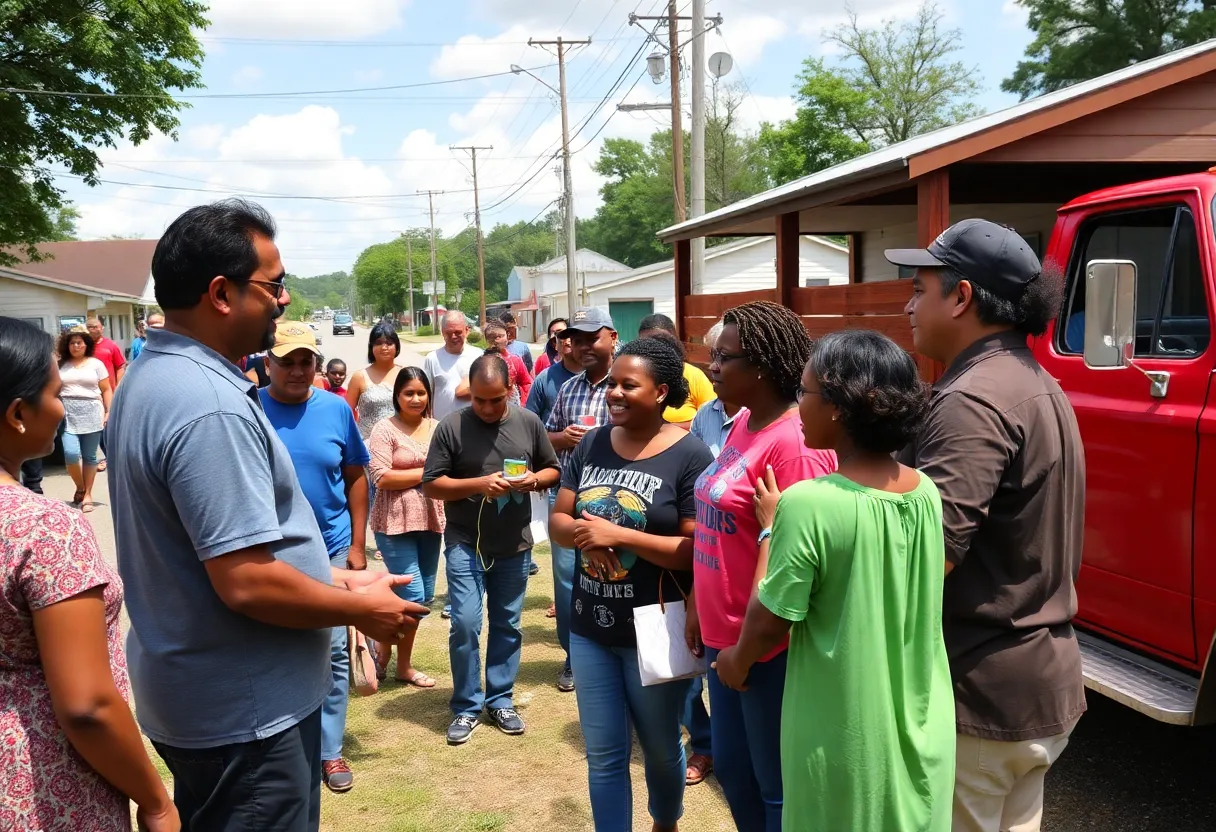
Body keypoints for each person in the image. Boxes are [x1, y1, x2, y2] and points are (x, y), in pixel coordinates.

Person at [106, 199, 426, 831]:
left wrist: (338, 577)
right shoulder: (208, 405)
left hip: (205, 697)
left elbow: (211, 551)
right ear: (221, 294)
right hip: (245, 715)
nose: (283, 300)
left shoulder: (155, 377)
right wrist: (362, 610)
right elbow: (246, 580)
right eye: (274, 285)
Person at [886, 219, 1085, 832]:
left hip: (981, 687)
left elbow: (929, 554)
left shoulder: (972, 398)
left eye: (920, 288)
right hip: (1035, 676)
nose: (909, 304)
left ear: (962, 296)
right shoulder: (1035, 382)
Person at [714, 330, 955, 832]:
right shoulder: (926, 491)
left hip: (841, 734)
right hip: (923, 726)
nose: (798, 405)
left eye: (805, 392)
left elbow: (772, 615)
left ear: (842, 407)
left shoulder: (809, 503)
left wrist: (735, 661)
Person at [0, 317, 179, 832]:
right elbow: (87, 706)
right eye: (54, 393)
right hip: (40, 783)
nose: (61, 407)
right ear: (17, 413)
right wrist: (156, 802)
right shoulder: (43, 529)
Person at [550, 336, 714, 832]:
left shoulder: (691, 455)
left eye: (628, 385)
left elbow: (694, 551)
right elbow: (560, 518)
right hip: (589, 627)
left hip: (654, 626)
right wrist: (587, 537)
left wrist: (618, 534)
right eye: (612, 385)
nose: (614, 394)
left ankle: (666, 821)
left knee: (662, 750)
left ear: (662, 391)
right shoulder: (594, 442)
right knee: (603, 755)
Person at [688, 300, 837, 832]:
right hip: (721, 636)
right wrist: (694, 608)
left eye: (724, 358)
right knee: (733, 769)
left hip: (764, 648)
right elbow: (716, 524)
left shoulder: (794, 445)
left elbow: (796, 566)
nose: (712, 367)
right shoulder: (745, 421)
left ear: (764, 366)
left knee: (775, 785)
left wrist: (747, 650)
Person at [422, 354, 560, 745]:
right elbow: (431, 484)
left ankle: (500, 699)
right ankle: (466, 707)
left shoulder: (528, 422)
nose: (485, 408)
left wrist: (535, 480)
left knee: (507, 623)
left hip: (514, 544)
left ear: (510, 392)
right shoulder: (452, 426)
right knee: (465, 622)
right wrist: (478, 485)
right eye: (478, 400)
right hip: (466, 541)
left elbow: (553, 469)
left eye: (495, 400)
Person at [258, 322, 371, 794]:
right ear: (268, 364)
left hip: (330, 545)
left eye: (307, 361)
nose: (299, 370)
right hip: (269, 547)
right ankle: (278, 741)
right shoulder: (250, 408)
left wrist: (358, 546)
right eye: (287, 361)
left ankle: (328, 750)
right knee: (274, 643)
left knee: (335, 648)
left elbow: (355, 476)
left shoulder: (335, 409)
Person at [543, 307, 619, 692]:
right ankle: (574, 656)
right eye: (578, 337)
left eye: (593, 337)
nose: (584, 345)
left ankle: (614, 647)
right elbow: (546, 436)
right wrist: (564, 438)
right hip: (568, 496)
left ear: (613, 338)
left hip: (614, 501)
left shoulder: (625, 385)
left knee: (610, 574)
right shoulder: (569, 388)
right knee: (567, 579)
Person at [368, 367, 445, 685]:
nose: (415, 399)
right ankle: (403, 666)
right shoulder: (383, 430)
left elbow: (451, 470)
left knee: (421, 598)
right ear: (397, 396)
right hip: (393, 523)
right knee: (411, 595)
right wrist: (428, 472)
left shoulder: (439, 428)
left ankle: (383, 652)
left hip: (431, 519)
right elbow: (381, 477)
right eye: (408, 393)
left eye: (421, 392)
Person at [681, 318, 731, 788]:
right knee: (691, 661)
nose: (712, 368)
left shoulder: (784, 426)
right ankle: (704, 745)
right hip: (703, 556)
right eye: (710, 356)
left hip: (741, 572)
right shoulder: (705, 416)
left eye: (723, 357)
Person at [57, 326, 112, 513]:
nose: (76, 346)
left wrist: (108, 411)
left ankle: (87, 494)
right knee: (71, 453)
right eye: (72, 342)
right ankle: (80, 487)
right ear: (67, 345)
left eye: (79, 342)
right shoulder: (61, 364)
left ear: (86, 344)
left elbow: (106, 389)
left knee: (90, 456)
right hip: (67, 412)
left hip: (91, 410)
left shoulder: (96, 364)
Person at [637, 313, 716, 429]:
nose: (654, 349)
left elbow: (712, 420)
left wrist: (665, 430)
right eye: (646, 344)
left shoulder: (693, 375)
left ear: (675, 341)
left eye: (661, 342)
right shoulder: (634, 376)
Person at [688, 321, 738, 458]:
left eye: (725, 358)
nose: (713, 367)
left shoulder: (762, 418)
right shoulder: (705, 413)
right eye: (712, 358)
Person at [423, 310, 482, 421]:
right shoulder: (432, 359)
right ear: (442, 332)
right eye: (448, 333)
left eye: (458, 332)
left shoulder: (479, 355)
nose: (453, 336)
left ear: (467, 331)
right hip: (441, 427)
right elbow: (426, 394)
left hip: (474, 426)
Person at [484, 320, 533, 405]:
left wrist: (523, 403)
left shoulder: (514, 360)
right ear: (486, 339)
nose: (496, 340)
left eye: (500, 336)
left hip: (513, 406)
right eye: (492, 337)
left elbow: (526, 383)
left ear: (507, 336)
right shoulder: (482, 362)